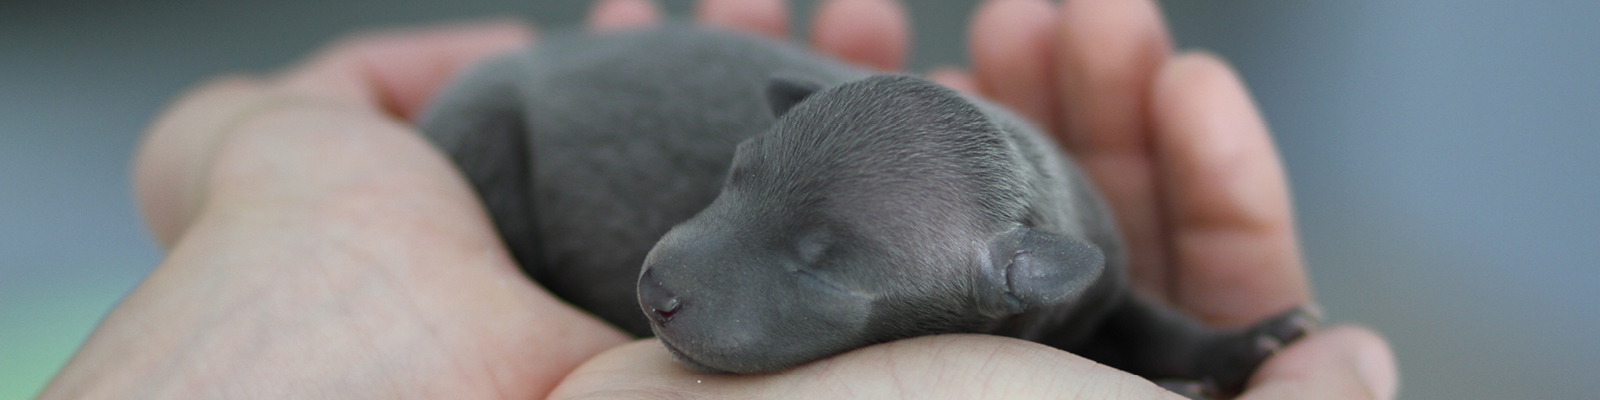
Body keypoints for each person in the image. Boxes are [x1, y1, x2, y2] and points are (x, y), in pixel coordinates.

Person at [37, 0, 1398, 398]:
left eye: (815, 257)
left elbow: (1120, 314)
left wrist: (1207, 357)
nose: (677, 268)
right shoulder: (889, 193)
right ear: (779, 130)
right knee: (497, 122)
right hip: (518, 133)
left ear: (1021, 276)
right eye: (746, 191)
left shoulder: (1061, 251)